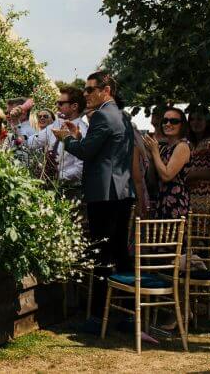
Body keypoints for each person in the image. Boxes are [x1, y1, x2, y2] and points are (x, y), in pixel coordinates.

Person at [53, 71, 134, 322]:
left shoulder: (101, 115)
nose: (86, 94)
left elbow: (88, 153)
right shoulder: (122, 116)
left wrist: (67, 139)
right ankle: (129, 312)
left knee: (101, 253)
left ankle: (99, 315)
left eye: (90, 90)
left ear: (106, 90)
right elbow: (106, 152)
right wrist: (79, 137)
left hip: (104, 193)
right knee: (120, 252)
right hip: (122, 191)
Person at [142, 107, 191, 219]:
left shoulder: (182, 146)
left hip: (175, 202)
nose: (168, 124)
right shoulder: (165, 148)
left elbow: (166, 175)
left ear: (182, 125)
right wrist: (150, 156)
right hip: (161, 198)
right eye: (165, 121)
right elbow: (154, 179)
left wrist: (154, 152)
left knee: (171, 237)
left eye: (174, 121)